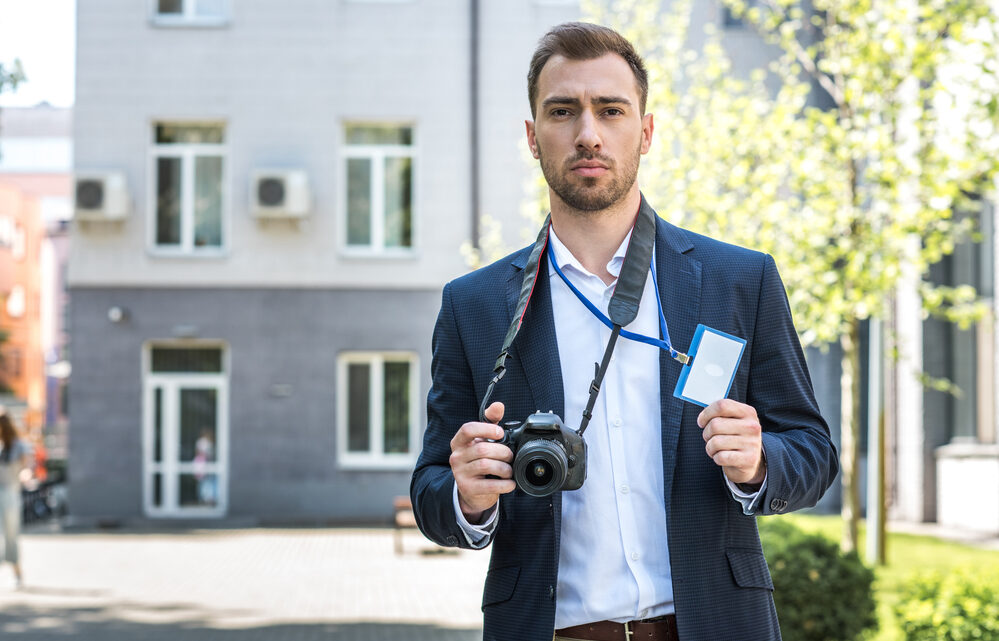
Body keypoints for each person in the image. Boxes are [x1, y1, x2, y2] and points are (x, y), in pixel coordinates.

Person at [411, 21, 839, 641]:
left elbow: (814, 452)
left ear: (646, 131)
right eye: (563, 112)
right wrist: (466, 496)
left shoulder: (738, 282)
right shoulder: (473, 306)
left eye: (610, 110)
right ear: (532, 138)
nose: (588, 134)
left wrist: (759, 462)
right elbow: (432, 490)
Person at [0, 408, 33, 589]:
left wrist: (26, 474)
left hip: (10, 493)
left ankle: (17, 574)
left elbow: (27, 466)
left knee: (11, 534)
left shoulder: (19, 445)